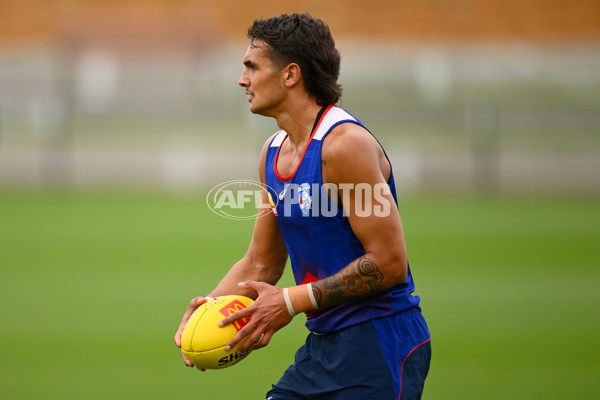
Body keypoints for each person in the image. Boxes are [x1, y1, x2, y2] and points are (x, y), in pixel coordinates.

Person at [174, 13, 431, 400]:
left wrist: (292, 301)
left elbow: (390, 262)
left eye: (251, 67)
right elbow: (262, 262)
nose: (242, 79)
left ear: (290, 74)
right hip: (324, 345)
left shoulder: (345, 146)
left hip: (380, 341)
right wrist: (211, 307)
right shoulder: (272, 152)